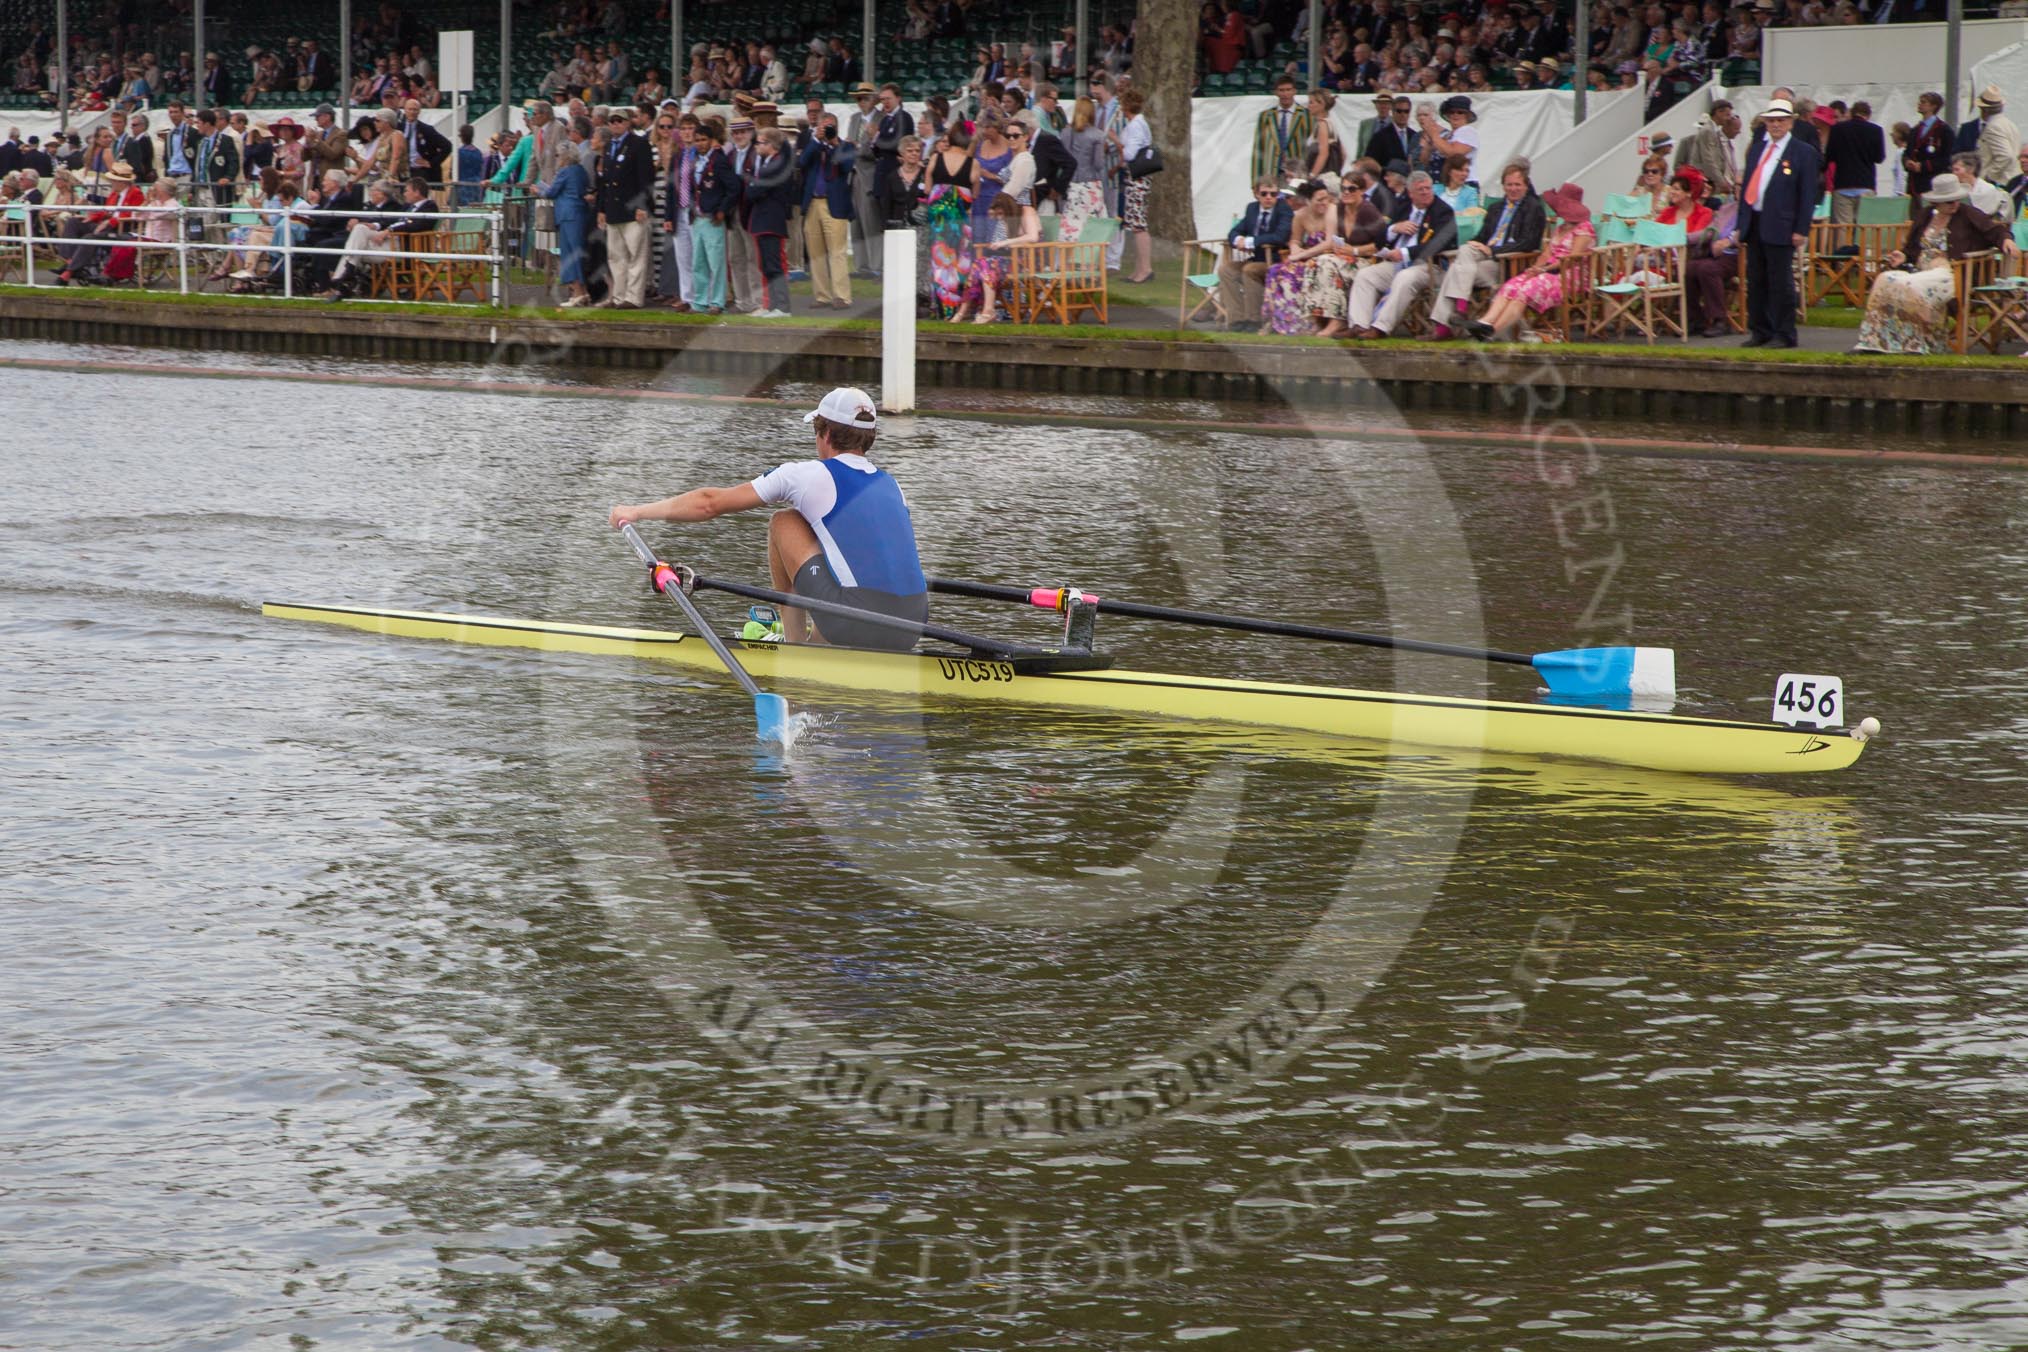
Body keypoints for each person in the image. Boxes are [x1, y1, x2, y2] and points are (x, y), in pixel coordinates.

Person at [607, 388, 927, 651]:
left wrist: (636, 512)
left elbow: (709, 503)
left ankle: (795, 644)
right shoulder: (892, 484)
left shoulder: (805, 474)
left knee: (784, 521)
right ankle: (821, 640)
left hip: (855, 622)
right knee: (839, 547)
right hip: (911, 626)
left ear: (826, 433)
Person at [1852, 172, 2007, 354]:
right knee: (1885, 280)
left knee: (1911, 286)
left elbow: (1994, 230)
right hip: (1919, 270)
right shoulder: (1925, 216)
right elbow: (1911, 248)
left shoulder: (1968, 214)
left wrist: (2006, 240)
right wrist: (1902, 256)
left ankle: (1917, 344)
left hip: (1950, 274)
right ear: (1937, 202)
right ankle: (1875, 342)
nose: (1955, 204)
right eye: (1949, 201)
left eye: (1957, 199)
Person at [1736, 96, 1820, 349]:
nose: (1776, 125)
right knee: (1757, 279)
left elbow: (1807, 195)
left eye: (1781, 120)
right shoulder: (1758, 148)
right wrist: (1742, 222)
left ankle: (1785, 332)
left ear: (1791, 123)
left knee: (1780, 281)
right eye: (1772, 121)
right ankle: (1760, 329)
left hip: (1782, 224)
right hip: (1756, 220)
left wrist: (1800, 229)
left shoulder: (1803, 153)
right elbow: (1748, 187)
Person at [1430, 161, 1543, 338]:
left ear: (1526, 186)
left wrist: (1494, 252)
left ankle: (1444, 326)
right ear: (1503, 186)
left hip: (1507, 264)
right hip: (1484, 260)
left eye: (1517, 185)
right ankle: (1459, 309)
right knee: (1466, 251)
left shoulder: (1533, 208)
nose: (1513, 189)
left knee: (1455, 269)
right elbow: (1482, 237)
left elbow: (1528, 243)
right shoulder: (1495, 208)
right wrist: (1475, 244)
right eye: (1509, 184)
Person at [1469, 182, 1595, 340]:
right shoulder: (1561, 228)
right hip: (1548, 271)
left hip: (1570, 275)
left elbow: (1572, 259)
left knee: (1526, 289)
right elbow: (1546, 254)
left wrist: (1544, 270)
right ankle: (1485, 322)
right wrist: (1534, 269)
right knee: (1512, 285)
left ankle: (1493, 331)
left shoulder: (1585, 228)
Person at [1345, 169, 1457, 339]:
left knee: (1405, 277)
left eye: (1428, 188)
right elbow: (1379, 240)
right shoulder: (1403, 207)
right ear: (1411, 193)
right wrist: (1394, 229)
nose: (1426, 192)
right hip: (1395, 263)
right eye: (1421, 190)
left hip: (1428, 266)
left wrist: (1405, 253)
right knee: (1365, 275)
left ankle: (1380, 328)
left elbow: (1438, 244)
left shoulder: (1443, 211)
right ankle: (1359, 325)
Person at [1262, 180, 1337, 335]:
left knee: (1296, 273)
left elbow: (1329, 242)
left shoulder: (1332, 211)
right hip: (1307, 256)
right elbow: (1295, 240)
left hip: (1326, 257)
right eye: (1319, 200)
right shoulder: (1300, 216)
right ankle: (1279, 321)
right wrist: (1295, 250)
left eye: (1326, 198)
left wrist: (1302, 255)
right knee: (1276, 270)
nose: (1324, 203)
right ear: (1308, 201)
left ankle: (1307, 323)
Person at [798, 109, 856, 308]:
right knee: (815, 253)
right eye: (825, 126)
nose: (829, 129)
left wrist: (835, 144)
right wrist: (816, 141)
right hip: (813, 202)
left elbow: (847, 167)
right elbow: (801, 163)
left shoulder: (845, 146)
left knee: (837, 252)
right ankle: (822, 296)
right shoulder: (812, 146)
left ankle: (842, 296)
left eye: (832, 126)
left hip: (835, 204)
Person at [956, 191, 1041, 322]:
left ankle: (984, 311)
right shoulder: (1006, 221)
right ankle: (966, 312)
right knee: (979, 264)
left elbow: (1033, 236)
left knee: (985, 265)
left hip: (1026, 260)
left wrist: (1005, 242)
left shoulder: (1026, 211)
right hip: (1005, 260)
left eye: (1001, 213)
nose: (999, 217)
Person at [1218, 181, 1293, 329]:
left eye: (1273, 194)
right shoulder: (1252, 208)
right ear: (1257, 194)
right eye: (1264, 193)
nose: (1269, 197)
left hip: (1276, 261)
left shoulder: (1284, 209)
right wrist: (1238, 239)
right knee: (1226, 270)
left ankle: (1254, 320)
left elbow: (1280, 237)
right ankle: (1236, 319)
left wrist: (1251, 242)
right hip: (1256, 258)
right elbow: (1235, 231)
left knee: (1250, 270)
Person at [542, 119, 595, 306]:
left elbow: (550, 192)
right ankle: (583, 292)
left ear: (565, 156)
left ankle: (578, 293)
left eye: (557, 155)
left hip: (568, 215)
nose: (556, 159)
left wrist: (538, 189)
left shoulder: (565, 172)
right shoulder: (580, 170)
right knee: (576, 252)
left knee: (570, 254)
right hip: (579, 214)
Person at [745, 128, 796, 317]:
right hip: (764, 219)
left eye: (761, 142)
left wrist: (753, 186)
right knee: (767, 265)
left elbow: (752, 192)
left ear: (772, 145)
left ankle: (782, 306)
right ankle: (773, 305)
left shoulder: (775, 165)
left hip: (770, 220)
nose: (757, 146)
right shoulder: (770, 164)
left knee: (773, 265)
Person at [926, 124, 976, 319]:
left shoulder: (935, 159)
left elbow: (927, 189)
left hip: (939, 222)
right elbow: (975, 193)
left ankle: (941, 309)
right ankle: (957, 310)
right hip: (962, 221)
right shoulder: (972, 164)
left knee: (940, 263)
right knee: (961, 264)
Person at [690, 115, 735, 315]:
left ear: (711, 140)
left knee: (716, 263)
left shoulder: (719, 160)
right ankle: (699, 302)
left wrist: (722, 210)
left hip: (712, 218)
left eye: (703, 140)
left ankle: (717, 301)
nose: (700, 144)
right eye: (697, 140)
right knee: (698, 263)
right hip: (697, 217)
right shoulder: (694, 160)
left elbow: (733, 187)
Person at [1115, 88, 1155, 283]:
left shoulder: (1135, 126)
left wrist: (1116, 142)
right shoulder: (1137, 123)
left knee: (1139, 225)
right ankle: (1139, 268)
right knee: (1135, 223)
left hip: (1138, 178)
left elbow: (1131, 153)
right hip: (1136, 178)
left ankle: (1145, 269)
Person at [1825, 100, 1885, 224]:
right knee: (1863, 227)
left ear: (1851, 113)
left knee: (1843, 226)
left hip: (1843, 184)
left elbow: (1830, 155)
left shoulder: (1837, 129)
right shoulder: (1876, 130)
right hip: (1865, 183)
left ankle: (1844, 244)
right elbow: (1879, 158)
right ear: (1868, 115)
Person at [1251, 76, 1312, 186]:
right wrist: (1255, 183)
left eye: (1288, 90)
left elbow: (1311, 147)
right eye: (1281, 90)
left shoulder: (1306, 115)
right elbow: (1258, 149)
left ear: (1294, 91)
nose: (1285, 94)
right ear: (1276, 92)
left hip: (1296, 174)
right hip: (1271, 174)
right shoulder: (1265, 116)